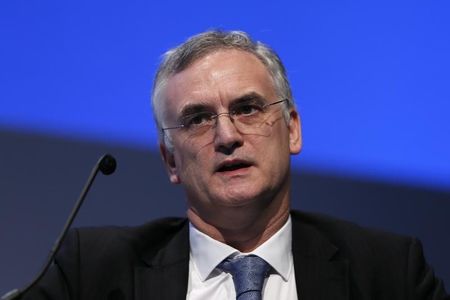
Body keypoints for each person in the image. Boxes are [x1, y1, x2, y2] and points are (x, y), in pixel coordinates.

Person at [23, 30, 448, 300]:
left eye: (248, 108)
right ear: (171, 158)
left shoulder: (388, 272)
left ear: (292, 130)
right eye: (198, 119)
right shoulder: (92, 271)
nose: (227, 136)